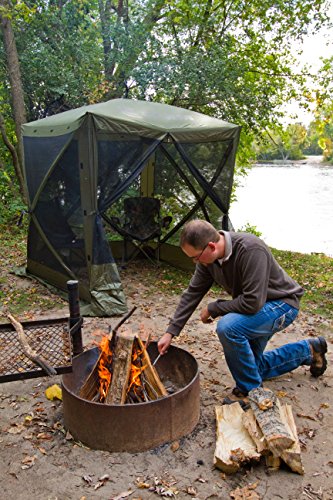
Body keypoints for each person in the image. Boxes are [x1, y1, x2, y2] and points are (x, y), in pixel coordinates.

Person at [158, 219, 327, 397]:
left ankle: (251, 392)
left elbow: (252, 302)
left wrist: (215, 308)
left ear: (211, 246)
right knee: (252, 368)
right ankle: (308, 350)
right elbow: (193, 293)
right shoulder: (207, 261)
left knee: (228, 327)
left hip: (282, 305)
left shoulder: (251, 249)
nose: (194, 262)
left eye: (195, 257)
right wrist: (171, 332)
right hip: (257, 310)